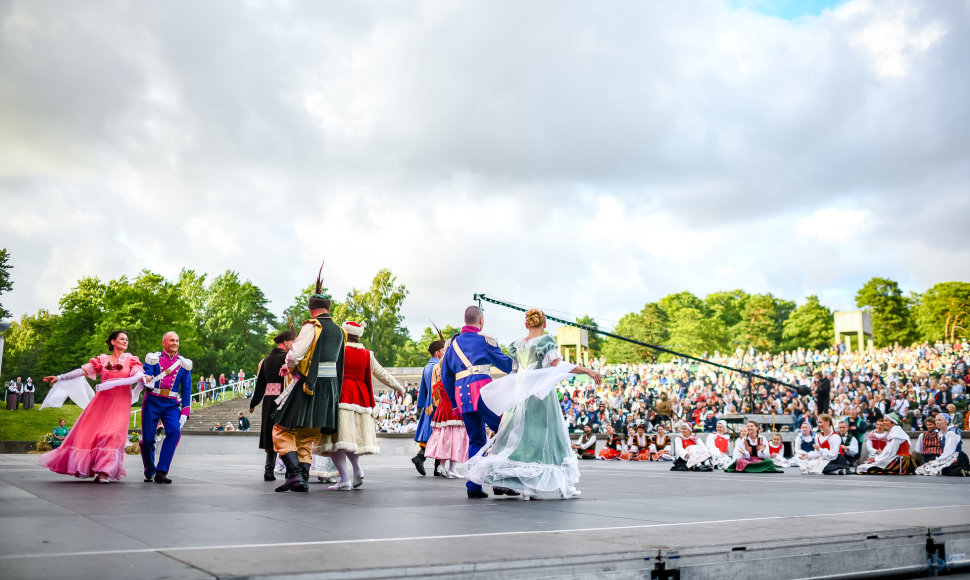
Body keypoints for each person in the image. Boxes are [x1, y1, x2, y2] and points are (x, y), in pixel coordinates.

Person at [466, 308, 602, 500]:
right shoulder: (545, 343)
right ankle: (565, 487)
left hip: (520, 398)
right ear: (544, 324)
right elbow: (558, 366)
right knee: (553, 438)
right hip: (541, 399)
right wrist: (587, 370)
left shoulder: (518, 346)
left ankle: (529, 488)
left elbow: (514, 371)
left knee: (526, 440)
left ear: (526, 324)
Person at [39, 330, 146, 482]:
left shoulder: (131, 360)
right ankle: (93, 467)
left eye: (127, 339)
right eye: (122, 339)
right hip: (102, 403)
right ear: (112, 342)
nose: (125, 341)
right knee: (93, 434)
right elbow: (82, 371)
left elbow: (138, 374)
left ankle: (104, 472)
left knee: (114, 435)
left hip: (121, 404)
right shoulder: (102, 360)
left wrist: (143, 376)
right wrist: (60, 377)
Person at [273, 270, 345, 493]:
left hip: (309, 386)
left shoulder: (312, 326)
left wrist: (289, 365)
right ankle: (302, 478)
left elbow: (295, 354)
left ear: (311, 308)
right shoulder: (340, 330)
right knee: (307, 436)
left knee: (280, 429)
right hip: (330, 389)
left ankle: (295, 474)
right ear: (329, 308)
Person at [315, 321, 405, 491]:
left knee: (336, 442)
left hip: (340, 399)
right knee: (351, 441)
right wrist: (399, 387)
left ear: (344, 333)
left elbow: (324, 372)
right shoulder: (367, 354)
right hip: (361, 401)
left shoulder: (337, 350)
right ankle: (357, 469)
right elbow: (382, 374)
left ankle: (344, 479)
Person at [440, 305, 516, 499]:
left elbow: (446, 377)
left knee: (476, 439)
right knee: (505, 431)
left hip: (462, 396)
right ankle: (500, 482)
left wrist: (455, 404)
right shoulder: (484, 341)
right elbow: (507, 365)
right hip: (482, 392)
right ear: (480, 321)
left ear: (465, 320)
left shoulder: (452, 345)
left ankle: (473, 486)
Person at [140, 331, 193, 484]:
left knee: (175, 432)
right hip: (152, 401)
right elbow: (147, 375)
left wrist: (185, 411)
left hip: (171, 404)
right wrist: (148, 379)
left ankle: (161, 471)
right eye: (172, 340)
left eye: (177, 340)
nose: (175, 343)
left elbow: (186, 389)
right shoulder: (153, 359)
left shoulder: (184, 364)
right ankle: (149, 469)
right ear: (164, 342)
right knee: (148, 440)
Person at [250, 330, 294, 481]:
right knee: (286, 434)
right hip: (285, 399)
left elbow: (260, 385)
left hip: (269, 402)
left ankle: (268, 471)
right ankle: (290, 471)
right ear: (286, 342)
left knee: (270, 433)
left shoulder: (266, 360)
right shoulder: (288, 359)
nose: (293, 344)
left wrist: (253, 403)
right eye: (292, 341)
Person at [425, 339, 467, 478]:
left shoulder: (439, 364)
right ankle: (452, 468)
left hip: (443, 404)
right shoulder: (453, 363)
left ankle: (442, 465)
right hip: (452, 404)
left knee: (446, 436)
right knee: (456, 436)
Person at [411, 329, 443, 476]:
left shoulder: (427, 367)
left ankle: (424, 460)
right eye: (443, 350)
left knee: (432, 436)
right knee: (440, 435)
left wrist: (420, 406)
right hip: (438, 405)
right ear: (437, 353)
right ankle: (433, 465)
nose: (444, 353)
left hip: (428, 407)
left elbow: (423, 390)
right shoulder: (439, 367)